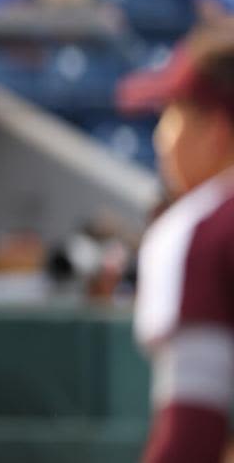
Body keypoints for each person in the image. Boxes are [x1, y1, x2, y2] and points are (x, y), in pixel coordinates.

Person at [116, 26, 234, 463]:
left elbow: (191, 439)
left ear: (215, 132)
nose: (161, 137)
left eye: (171, 115)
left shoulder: (203, 230)